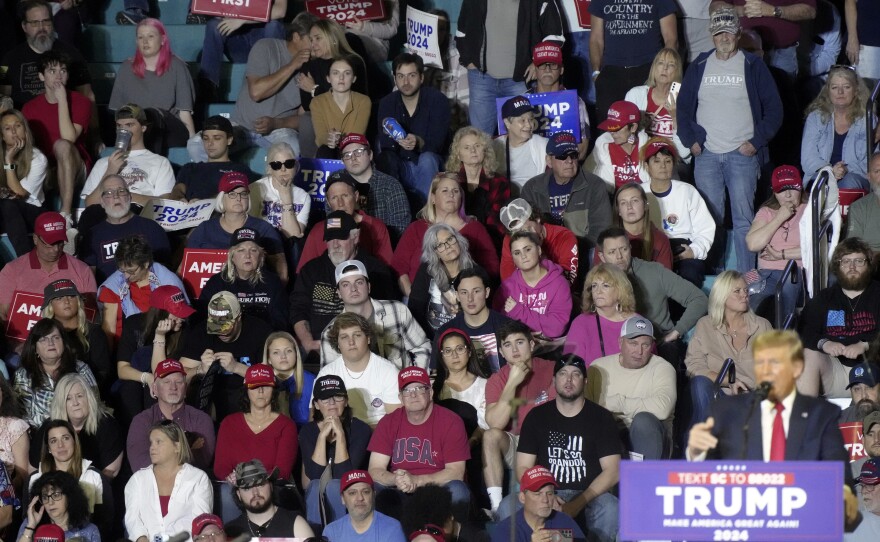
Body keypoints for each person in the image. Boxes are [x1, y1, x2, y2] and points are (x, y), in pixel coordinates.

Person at [677, 6, 782, 274]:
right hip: (707, 155)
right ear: (712, 35)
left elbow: (774, 111)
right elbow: (683, 109)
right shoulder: (699, 64)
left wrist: (756, 142)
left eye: (729, 32)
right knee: (710, 221)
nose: (724, 38)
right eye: (718, 32)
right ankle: (715, 279)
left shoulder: (753, 64)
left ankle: (748, 279)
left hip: (742, 155)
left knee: (744, 219)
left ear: (738, 34)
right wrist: (691, 140)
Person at [687, 330, 850, 467]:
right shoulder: (728, 412)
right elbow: (706, 467)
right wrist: (696, 452)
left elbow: (836, 477)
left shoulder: (823, 416)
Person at [514, 355, 620, 541]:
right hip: (547, 491)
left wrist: (577, 503)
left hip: (589, 494)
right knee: (509, 505)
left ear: (585, 381)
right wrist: (543, 495)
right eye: (563, 374)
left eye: (576, 374)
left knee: (611, 508)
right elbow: (522, 467)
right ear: (554, 380)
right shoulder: (537, 416)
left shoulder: (601, 418)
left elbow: (613, 470)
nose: (568, 380)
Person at [212, 12, 316, 164]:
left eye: (318, 39)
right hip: (241, 127)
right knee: (197, 145)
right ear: (296, 37)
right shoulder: (266, 46)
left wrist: (276, 123)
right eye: (311, 39)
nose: (316, 45)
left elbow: (304, 118)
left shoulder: (315, 67)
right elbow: (256, 92)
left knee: (293, 148)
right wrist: (293, 65)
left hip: (279, 130)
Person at [368, 367, 471, 520]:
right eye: (407, 390)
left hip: (436, 489)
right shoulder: (388, 423)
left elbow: (456, 472)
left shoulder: (451, 421)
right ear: (400, 398)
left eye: (419, 388)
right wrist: (395, 480)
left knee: (458, 490)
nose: (413, 395)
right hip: (399, 490)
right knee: (372, 491)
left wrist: (416, 481)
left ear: (430, 392)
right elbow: (375, 469)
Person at [291, 210, 398, 356]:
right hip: (318, 349)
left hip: (366, 349)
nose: (335, 245)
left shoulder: (376, 270)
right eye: (330, 238)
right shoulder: (310, 270)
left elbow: (386, 315)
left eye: (341, 238)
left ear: (355, 237)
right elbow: (298, 310)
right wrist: (308, 342)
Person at [597, 227, 709, 366]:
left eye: (624, 249)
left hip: (658, 342)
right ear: (602, 256)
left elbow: (699, 299)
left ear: (630, 248)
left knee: (669, 351)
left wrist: (676, 331)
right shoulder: (597, 282)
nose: (619, 256)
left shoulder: (654, 271)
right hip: (615, 345)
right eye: (612, 252)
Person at [483, 320, 558, 517]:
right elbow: (495, 423)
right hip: (515, 442)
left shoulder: (553, 369)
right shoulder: (496, 380)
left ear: (532, 345)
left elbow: (556, 416)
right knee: (490, 436)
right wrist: (512, 383)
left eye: (520, 342)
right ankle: (497, 506)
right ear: (501, 352)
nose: (514, 350)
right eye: (508, 345)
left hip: (545, 442)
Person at [455, 0, 564, 135]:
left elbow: (555, 36)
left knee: (524, 137)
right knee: (480, 140)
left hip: (521, 81)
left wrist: (537, 62)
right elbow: (461, 32)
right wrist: (469, 61)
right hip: (481, 79)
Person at [685, 270, 773, 426]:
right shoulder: (705, 325)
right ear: (722, 296)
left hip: (752, 398)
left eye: (746, 290)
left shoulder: (762, 325)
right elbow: (694, 367)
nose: (744, 295)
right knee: (699, 384)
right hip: (719, 395)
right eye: (737, 291)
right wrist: (729, 381)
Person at [214, 364, 299, 522]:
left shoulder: (286, 425)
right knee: (226, 493)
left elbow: (282, 471)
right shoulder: (229, 423)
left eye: (265, 386)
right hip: (236, 488)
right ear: (247, 390)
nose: (260, 391)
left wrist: (250, 479)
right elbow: (221, 466)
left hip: (270, 487)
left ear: (273, 389)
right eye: (255, 386)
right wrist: (233, 479)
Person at [394, 172, 499, 297]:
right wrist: (413, 297)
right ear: (433, 198)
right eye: (445, 190)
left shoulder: (475, 228)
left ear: (461, 197)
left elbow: (492, 268)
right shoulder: (416, 228)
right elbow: (399, 266)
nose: (451, 194)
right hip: (418, 298)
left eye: (456, 191)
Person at [799, 238, 880, 397]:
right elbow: (803, 331)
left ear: (869, 264)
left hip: (874, 369)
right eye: (846, 261)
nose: (852, 267)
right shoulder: (824, 298)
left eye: (858, 261)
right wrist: (824, 343)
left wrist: (866, 345)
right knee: (809, 353)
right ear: (837, 266)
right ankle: (806, 418)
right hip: (837, 371)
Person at [587, 317, 677, 459]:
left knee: (643, 420)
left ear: (652, 346)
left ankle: (644, 479)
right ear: (620, 342)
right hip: (611, 437)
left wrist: (616, 403)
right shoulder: (598, 367)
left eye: (645, 345)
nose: (639, 351)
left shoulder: (662, 368)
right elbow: (586, 410)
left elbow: (662, 408)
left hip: (651, 441)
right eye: (633, 343)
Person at [21, 50, 90, 231]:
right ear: (41, 76)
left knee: (62, 145)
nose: (59, 76)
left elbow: (68, 138)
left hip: (75, 165)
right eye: (52, 71)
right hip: (46, 168)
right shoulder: (29, 108)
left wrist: (62, 101)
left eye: (63, 71)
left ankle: (65, 216)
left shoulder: (81, 101)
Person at [320, 260, 430, 370]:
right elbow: (329, 377)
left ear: (368, 286)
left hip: (400, 384)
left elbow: (422, 348)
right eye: (345, 285)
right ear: (338, 293)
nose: (353, 289)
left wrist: (415, 380)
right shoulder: (331, 332)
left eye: (359, 282)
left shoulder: (398, 311)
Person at [179, 291, 273, 421]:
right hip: (212, 399)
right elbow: (178, 375)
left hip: (250, 399)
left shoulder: (259, 331)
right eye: (215, 325)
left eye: (226, 326)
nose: (221, 332)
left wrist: (237, 367)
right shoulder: (201, 332)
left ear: (238, 317)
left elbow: (272, 378)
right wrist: (200, 369)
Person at [113, 285, 196, 428]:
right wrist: (147, 377)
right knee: (130, 388)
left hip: (168, 387)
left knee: (158, 388)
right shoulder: (134, 324)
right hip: (136, 384)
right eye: (176, 313)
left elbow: (163, 375)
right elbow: (122, 370)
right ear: (160, 313)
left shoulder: (185, 332)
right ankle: (135, 434)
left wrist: (160, 336)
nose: (182, 317)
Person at [109, 18, 196, 151]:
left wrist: (193, 144)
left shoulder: (177, 66)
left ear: (162, 39)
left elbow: (184, 113)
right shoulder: (126, 68)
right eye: (140, 37)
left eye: (150, 36)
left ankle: (152, 164)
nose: (145, 41)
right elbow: (117, 112)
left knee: (151, 114)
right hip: (136, 130)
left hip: (170, 130)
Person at [376, 53, 450, 207]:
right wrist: (398, 141)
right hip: (400, 165)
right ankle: (392, 211)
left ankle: (427, 214)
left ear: (421, 77)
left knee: (428, 158)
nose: (406, 82)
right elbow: (386, 145)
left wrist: (418, 142)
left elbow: (438, 144)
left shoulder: (437, 100)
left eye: (411, 75)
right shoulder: (387, 103)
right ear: (394, 78)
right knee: (386, 158)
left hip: (429, 165)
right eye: (401, 76)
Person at [522, 131, 613, 255]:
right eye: (562, 156)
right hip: (544, 253)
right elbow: (526, 230)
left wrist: (573, 251)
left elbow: (601, 230)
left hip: (585, 251)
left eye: (573, 155)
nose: (569, 161)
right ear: (549, 160)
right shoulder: (532, 188)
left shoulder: (595, 185)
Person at [186, 171, 287, 281]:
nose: (238, 198)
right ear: (221, 198)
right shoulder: (204, 229)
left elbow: (281, 271)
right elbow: (184, 267)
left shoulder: (263, 229)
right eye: (232, 194)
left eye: (243, 194)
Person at [589, 0, 678, 125]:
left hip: (649, 69)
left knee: (649, 128)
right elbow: (596, 39)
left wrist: (665, 73)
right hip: (612, 73)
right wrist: (596, 73)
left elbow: (671, 39)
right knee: (609, 129)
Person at [299, 376, 372, 527]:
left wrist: (340, 435)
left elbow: (344, 476)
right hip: (316, 493)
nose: (332, 403)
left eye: (337, 397)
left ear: (346, 401)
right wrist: (321, 437)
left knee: (333, 486)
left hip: (355, 491)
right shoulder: (307, 431)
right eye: (325, 399)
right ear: (317, 405)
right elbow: (314, 475)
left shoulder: (361, 429)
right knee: (314, 486)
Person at [0, 212, 96, 327]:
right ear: (35, 239)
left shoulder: (82, 270)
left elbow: (91, 316)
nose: (55, 250)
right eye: (49, 244)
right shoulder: (12, 270)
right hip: (22, 342)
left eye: (60, 243)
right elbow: (3, 313)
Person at [642, 137, 715, 287]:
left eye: (667, 161)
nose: (663, 166)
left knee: (689, 276)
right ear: (646, 166)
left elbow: (705, 228)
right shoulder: (638, 192)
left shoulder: (687, 191)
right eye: (656, 161)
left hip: (682, 246)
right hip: (649, 246)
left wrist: (694, 251)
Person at [124, 420, 213, 541]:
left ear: (177, 446)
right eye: (151, 443)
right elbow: (132, 519)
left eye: (158, 442)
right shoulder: (137, 480)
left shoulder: (198, 478)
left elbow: (200, 522)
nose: (152, 448)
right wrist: (142, 539)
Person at [0, 1, 95, 110]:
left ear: (52, 23)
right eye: (34, 23)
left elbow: (87, 95)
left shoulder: (73, 55)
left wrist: (95, 127)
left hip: (64, 122)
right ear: (24, 26)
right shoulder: (8, 59)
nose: (41, 28)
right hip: (24, 123)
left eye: (46, 21)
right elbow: (2, 97)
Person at [126, 359, 215, 473]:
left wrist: (161, 456)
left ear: (186, 388)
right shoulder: (141, 421)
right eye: (166, 382)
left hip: (189, 487)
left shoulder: (201, 420)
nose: (173, 387)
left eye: (178, 382)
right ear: (155, 389)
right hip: (151, 489)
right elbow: (141, 466)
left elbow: (199, 465)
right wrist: (186, 449)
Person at [78, 174, 171, 283]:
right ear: (102, 202)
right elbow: (88, 280)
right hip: (109, 296)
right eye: (109, 193)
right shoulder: (92, 236)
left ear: (130, 197)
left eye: (121, 191)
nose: (116, 196)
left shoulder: (152, 228)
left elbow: (164, 271)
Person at [80, 104, 175, 209]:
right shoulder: (103, 163)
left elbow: (165, 202)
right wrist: (110, 171)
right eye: (119, 126)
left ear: (143, 128)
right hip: (108, 216)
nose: (123, 130)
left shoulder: (160, 162)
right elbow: (90, 204)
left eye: (129, 125)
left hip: (140, 215)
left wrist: (124, 196)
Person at [30, 373, 123, 480]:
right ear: (61, 403)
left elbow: (111, 472)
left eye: (79, 396)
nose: (75, 403)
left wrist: (81, 491)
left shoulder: (107, 424)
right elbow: (33, 468)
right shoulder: (49, 427)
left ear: (89, 398)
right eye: (68, 398)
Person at [97, 235, 187, 343]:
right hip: (124, 345)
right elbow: (109, 330)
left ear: (145, 264)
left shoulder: (170, 283)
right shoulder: (113, 285)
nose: (126, 276)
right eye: (122, 270)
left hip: (163, 342)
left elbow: (180, 324)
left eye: (131, 271)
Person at [316, 313, 401, 427]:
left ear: (368, 338)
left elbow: (395, 422)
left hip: (379, 435)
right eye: (344, 337)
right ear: (338, 344)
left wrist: (361, 434)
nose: (351, 342)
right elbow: (317, 420)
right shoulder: (326, 374)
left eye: (357, 335)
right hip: (340, 433)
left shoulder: (388, 371)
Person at [296, 173, 394, 272]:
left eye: (345, 196)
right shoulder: (318, 230)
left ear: (356, 196)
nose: (340, 203)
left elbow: (385, 270)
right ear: (328, 202)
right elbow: (304, 272)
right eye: (334, 198)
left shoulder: (375, 226)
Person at [745, 164, 807, 320]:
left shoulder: (809, 209)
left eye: (792, 188)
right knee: (754, 306)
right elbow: (753, 244)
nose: (787, 195)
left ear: (800, 187)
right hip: (766, 274)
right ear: (774, 192)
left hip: (795, 272)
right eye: (781, 190)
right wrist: (779, 217)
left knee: (783, 301)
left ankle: (784, 339)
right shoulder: (766, 211)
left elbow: (815, 248)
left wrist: (781, 254)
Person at [199, 227, 288, 330]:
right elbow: (203, 319)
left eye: (253, 250)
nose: (248, 256)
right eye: (241, 250)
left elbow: (282, 323)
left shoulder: (272, 282)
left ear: (260, 256)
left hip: (263, 338)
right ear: (232, 256)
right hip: (227, 338)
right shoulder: (217, 283)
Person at [14, 318, 97, 428]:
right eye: (43, 339)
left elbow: (94, 404)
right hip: (39, 433)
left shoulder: (80, 368)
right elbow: (23, 415)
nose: (51, 343)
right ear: (35, 348)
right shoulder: (24, 374)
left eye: (56, 337)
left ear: (64, 343)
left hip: (79, 429)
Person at [332, 132, 411, 244]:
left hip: (383, 248)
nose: (353, 158)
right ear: (343, 161)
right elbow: (331, 222)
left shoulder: (390, 185)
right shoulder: (336, 185)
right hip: (345, 247)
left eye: (358, 152)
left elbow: (401, 229)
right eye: (347, 155)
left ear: (370, 155)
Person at [435, 266, 515, 373]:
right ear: (457, 296)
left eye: (476, 291)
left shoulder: (508, 326)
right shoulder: (445, 332)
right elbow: (437, 374)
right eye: (464, 292)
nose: (470, 298)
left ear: (486, 292)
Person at [410, 224, 485, 338]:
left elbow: (482, 313)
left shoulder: (477, 272)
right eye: (439, 245)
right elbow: (415, 308)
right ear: (434, 253)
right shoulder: (426, 270)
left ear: (458, 240)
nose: (448, 246)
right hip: (432, 337)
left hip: (467, 336)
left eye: (450, 239)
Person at [495, 231, 573, 340]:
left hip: (551, 348)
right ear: (512, 258)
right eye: (517, 253)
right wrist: (526, 336)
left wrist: (518, 311)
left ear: (539, 250)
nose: (523, 256)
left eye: (528, 249)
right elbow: (500, 328)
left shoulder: (559, 283)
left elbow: (556, 328)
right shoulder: (507, 287)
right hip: (518, 348)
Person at [802, 64, 870, 188]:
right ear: (828, 91)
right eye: (834, 87)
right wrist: (829, 170)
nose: (840, 92)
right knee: (820, 183)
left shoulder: (867, 119)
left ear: (856, 91)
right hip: (822, 174)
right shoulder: (815, 117)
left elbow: (871, 161)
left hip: (854, 176)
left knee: (849, 183)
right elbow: (808, 159)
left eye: (846, 87)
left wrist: (845, 169)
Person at [198, 0, 287, 93]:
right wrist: (220, 12)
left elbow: (280, 11)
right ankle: (208, 86)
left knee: (273, 25)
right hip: (239, 43)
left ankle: (274, 80)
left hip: (264, 41)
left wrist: (243, 19)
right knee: (213, 25)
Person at [40, 280, 111, 394]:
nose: (67, 301)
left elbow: (103, 372)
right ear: (50, 305)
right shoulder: (41, 335)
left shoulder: (94, 332)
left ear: (78, 301)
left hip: (86, 394)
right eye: (59, 298)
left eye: (71, 296)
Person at [715, 0, 817, 77]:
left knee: (783, 98)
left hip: (782, 52)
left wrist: (773, 11)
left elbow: (810, 10)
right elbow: (715, 7)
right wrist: (741, 10)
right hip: (743, 52)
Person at [445, 126, 510, 247]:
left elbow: (498, 224)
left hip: (490, 242)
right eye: (467, 147)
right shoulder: (449, 182)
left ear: (484, 150)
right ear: (458, 155)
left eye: (477, 146)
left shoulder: (499, 182)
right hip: (454, 242)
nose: (473, 151)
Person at [624, 48, 691, 163]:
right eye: (660, 63)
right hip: (642, 158)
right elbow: (626, 137)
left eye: (671, 65)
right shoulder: (636, 95)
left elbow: (684, 152)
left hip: (671, 161)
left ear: (677, 72)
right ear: (654, 68)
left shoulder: (684, 100)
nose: (664, 68)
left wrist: (675, 117)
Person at [564, 263, 638, 366]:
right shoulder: (580, 323)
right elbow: (570, 367)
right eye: (594, 286)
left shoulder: (638, 323)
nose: (598, 291)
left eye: (605, 285)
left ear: (621, 290)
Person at [528, 41, 590, 160]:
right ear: (535, 70)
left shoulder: (576, 102)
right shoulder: (523, 102)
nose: (547, 69)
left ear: (561, 69)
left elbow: (582, 151)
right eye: (542, 65)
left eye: (553, 64)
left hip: (564, 165)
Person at [491, 466, 586, 542]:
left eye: (549, 494)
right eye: (537, 494)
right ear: (522, 498)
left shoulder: (564, 521)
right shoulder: (506, 530)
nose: (545, 500)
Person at [224, 459, 314, 539]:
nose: (255, 492)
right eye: (247, 488)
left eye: (260, 485)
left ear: (270, 486)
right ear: (239, 494)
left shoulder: (296, 524)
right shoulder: (231, 531)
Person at [499, 198, 580, 284]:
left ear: (537, 219)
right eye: (518, 234)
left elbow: (567, 282)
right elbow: (507, 282)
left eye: (526, 230)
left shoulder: (564, 237)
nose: (524, 237)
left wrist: (538, 253)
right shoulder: (511, 240)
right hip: (524, 293)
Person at [29, 419, 103, 513]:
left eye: (65, 438)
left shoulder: (94, 476)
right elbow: (28, 517)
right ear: (48, 449)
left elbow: (103, 519)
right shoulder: (35, 478)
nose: (60, 445)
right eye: (53, 441)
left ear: (74, 442)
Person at [0, 108, 47, 256]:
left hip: (31, 212)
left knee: (8, 205)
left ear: (25, 130)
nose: (13, 132)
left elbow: (18, 194)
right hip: (4, 211)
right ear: (2, 135)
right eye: (8, 128)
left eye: (18, 126)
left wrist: (8, 161)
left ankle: (26, 261)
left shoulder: (37, 158)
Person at [175, 115, 254, 199]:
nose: (210, 143)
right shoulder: (189, 168)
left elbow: (233, 196)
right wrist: (179, 199)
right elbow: (178, 190)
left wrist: (202, 204)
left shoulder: (239, 170)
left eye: (217, 138)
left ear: (229, 140)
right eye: (206, 138)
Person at [310, 54, 371, 159]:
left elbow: (357, 136)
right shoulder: (317, 102)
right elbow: (320, 137)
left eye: (347, 73)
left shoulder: (363, 101)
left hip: (354, 152)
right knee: (325, 150)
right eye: (336, 73)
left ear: (354, 78)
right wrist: (330, 139)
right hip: (328, 151)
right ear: (328, 78)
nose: (341, 78)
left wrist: (338, 138)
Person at [249, 142, 310, 242]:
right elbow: (252, 230)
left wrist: (286, 199)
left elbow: (293, 237)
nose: (283, 169)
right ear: (269, 169)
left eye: (288, 164)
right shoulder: (255, 189)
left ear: (295, 167)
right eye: (276, 165)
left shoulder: (303, 197)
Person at [434, 329, 491, 435]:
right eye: (448, 351)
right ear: (442, 356)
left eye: (459, 349)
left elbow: (485, 426)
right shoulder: (432, 387)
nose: (454, 355)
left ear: (469, 352)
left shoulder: (486, 385)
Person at [16, 470, 100, 542]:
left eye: (56, 495)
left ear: (70, 497)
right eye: (45, 497)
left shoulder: (89, 530)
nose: (50, 502)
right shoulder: (29, 524)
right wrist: (31, 527)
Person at [322, 470, 407, 540]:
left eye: (365, 492)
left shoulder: (392, 528)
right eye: (352, 493)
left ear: (373, 495)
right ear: (343, 499)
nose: (360, 498)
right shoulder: (331, 532)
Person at [610, 182, 672, 270]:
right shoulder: (607, 239)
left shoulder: (660, 239)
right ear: (618, 210)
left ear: (646, 205)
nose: (629, 207)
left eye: (634, 200)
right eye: (623, 203)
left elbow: (665, 280)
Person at [591, 100, 650, 191]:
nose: (612, 133)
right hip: (614, 201)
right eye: (610, 127)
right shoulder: (603, 146)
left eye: (617, 129)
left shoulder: (649, 147)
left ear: (633, 127)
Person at [492, 95, 549, 189]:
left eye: (530, 119)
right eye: (522, 120)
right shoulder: (495, 147)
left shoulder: (543, 145)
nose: (528, 125)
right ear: (507, 123)